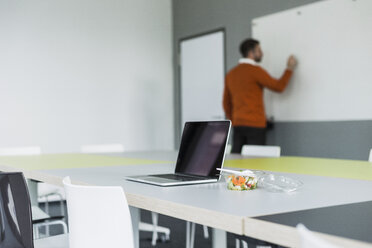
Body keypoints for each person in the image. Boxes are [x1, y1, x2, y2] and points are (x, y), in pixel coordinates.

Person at [223, 38, 297, 153]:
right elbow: (279, 87)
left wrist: (234, 119)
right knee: (256, 163)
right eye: (259, 50)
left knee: (236, 161)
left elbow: (225, 103)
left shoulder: (231, 74)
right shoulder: (255, 71)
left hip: (238, 125)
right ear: (251, 53)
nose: (261, 53)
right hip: (255, 125)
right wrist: (289, 68)